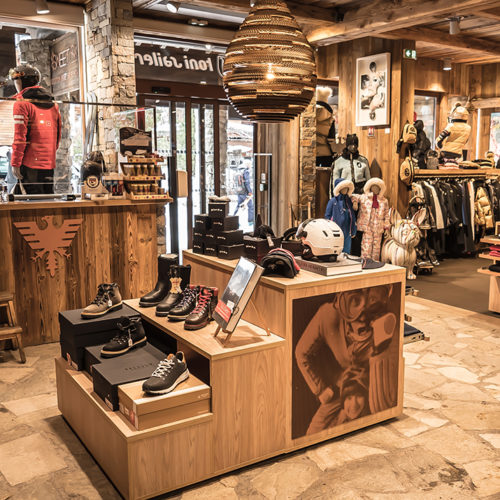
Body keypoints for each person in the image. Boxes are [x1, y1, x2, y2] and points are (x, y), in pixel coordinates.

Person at [9, 64, 61, 194]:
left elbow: (20, 138)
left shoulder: (22, 103)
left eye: (16, 80)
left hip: (29, 164)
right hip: (49, 163)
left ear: (22, 81)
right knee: (46, 202)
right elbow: (58, 135)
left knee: (28, 206)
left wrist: (15, 163)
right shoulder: (53, 103)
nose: (16, 84)